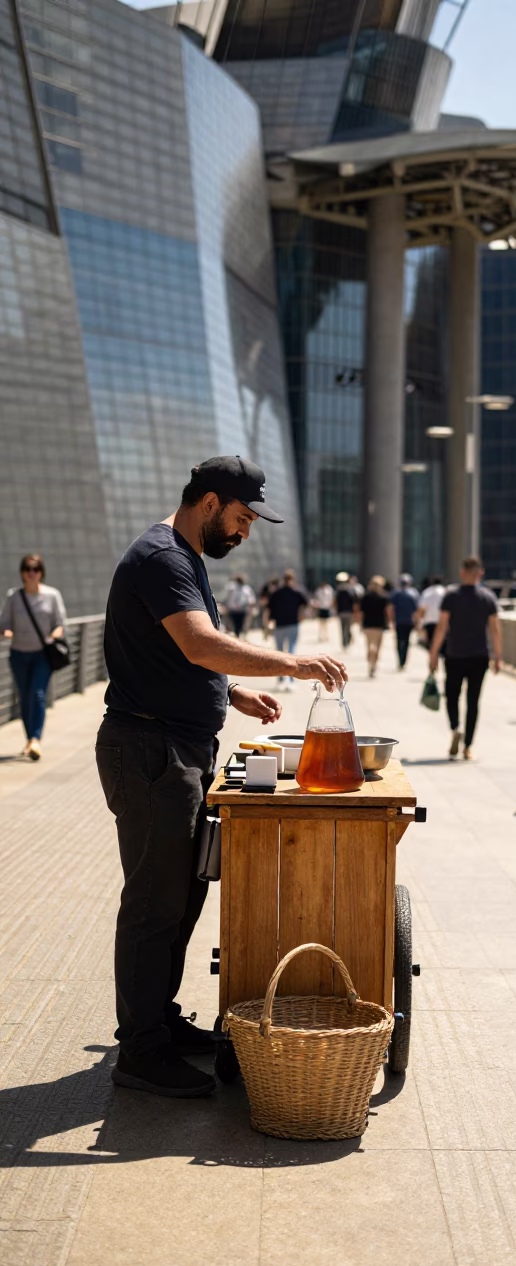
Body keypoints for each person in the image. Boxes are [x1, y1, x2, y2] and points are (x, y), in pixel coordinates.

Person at [96, 455, 346, 1099]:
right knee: (155, 902)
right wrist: (292, 663)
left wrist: (230, 691)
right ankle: (141, 1052)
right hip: (150, 749)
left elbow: (181, 651)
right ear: (209, 502)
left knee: (181, 896)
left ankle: (157, 1022)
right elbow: (201, 643)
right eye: (241, 517)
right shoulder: (162, 558)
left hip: (175, 745)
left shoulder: (183, 557)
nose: (245, 532)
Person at [429, 556, 502, 760]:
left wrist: (433, 654)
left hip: (455, 654)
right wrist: (498, 656)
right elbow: (495, 629)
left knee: (452, 696)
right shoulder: (488, 597)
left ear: (462, 573)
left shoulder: (451, 596)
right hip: (480, 656)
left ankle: (455, 728)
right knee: (473, 701)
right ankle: (468, 746)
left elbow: (442, 627)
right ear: (480, 574)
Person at [0, 553, 67, 761]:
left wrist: (54, 634)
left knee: (37, 694)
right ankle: (30, 739)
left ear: (41, 573)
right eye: (28, 569)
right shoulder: (14, 596)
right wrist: (7, 632)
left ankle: (35, 739)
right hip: (19, 654)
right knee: (24, 696)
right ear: (22, 573)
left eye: (35, 569)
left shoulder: (52, 595)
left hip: (42, 654)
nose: (31, 573)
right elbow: (4, 623)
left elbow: (60, 623)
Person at [266, 569, 308, 689]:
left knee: (279, 653)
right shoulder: (296, 592)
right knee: (291, 651)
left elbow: (269, 609)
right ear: (292, 580)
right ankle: (290, 679)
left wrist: (267, 625)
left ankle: (280, 679)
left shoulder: (276, 593)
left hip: (279, 625)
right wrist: (301, 614)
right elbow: (305, 603)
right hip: (293, 624)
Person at [356, 575, 390, 678]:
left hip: (368, 624)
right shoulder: (384, 597)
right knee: (378, 646)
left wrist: (359, 623)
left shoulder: (365, 597)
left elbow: (360, 612)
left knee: (369, 644)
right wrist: (389, 623)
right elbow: (388, 612)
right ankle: (374, 664)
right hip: (379, 624)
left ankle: (370, 660)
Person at [389, 574, 420, 669]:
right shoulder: (413, 593)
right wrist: (417, 622)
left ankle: (400, 660)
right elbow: (416, 611)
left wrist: (391, 620)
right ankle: (403, 660)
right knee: (406, 641)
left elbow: (391, 609)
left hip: (399, 621)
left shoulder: (396, 593)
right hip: (408, 622)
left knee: (399, 641)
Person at [416, 575, 445, 651]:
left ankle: (433, 660)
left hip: (429, 622)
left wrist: (418, 623)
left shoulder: (427, 592)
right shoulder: (445, 592)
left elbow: (421, 609)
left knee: (431, 646)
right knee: (441, 646)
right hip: (441, 622)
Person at [335, 572, 356, 649]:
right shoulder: (350, 589)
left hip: (342, 612)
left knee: (343, 628)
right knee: (347, 627)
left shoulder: (339, 590)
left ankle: (345, 642)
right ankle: (346, 642)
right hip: (348, 612)